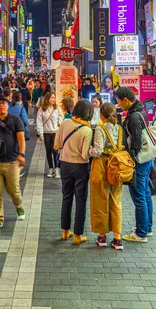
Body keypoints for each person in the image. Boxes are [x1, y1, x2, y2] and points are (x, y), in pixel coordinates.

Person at [116, 87, 153, 243]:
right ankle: (146, 227)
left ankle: (141, 233)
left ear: (126, 100)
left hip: (139, 160)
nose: (118, 104)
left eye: (118, 101)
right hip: (147, 157)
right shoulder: (140, 112)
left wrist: (130, 160)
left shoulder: (134, 117)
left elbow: (136, 142)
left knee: (139, 196)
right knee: (145, 194)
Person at [55, 99, 94, 245]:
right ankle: (78, 235)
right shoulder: (87, 130)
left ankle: (65, 232)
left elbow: (58, 144)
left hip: (65, 165)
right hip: (80, 168)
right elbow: (85, 155)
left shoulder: (65, 123)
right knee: (80, 201)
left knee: (66, 198)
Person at [0, 94, 26, 232]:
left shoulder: (16, 120)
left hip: (12, 162)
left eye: (4, 103)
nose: (1, 105)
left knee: (13, 190)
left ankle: (19, 206)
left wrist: (21, 154)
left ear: (8, 105)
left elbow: (21, 139)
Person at [89, 103, 124, 250]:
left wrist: (89, 150)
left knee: (101, 199)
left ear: (102, 115)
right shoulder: (119, 128)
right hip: (117, 166)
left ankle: (102, 236)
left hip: (102, 166)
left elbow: (98, 151)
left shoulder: (100, 128)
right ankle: (117, 238)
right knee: (116, 201)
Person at [37, 92, 63, 178]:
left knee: (55, 151)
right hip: (46, 133)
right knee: (48, 152)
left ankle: (57, 169)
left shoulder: (57, 108)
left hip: (55, 132)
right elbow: (39, 122)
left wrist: (59, 123)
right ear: (47, 99)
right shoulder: (41, 109)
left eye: (54, 98)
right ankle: (50, 168)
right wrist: (40, 134)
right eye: (52, 98)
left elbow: (61, 117)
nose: (53, 99)